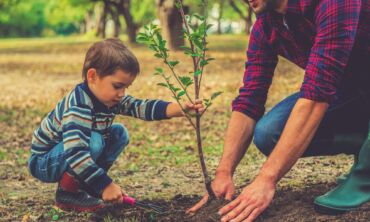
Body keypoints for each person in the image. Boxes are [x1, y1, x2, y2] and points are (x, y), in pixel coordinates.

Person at [188, 0, 370, 221]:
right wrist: (224, 173)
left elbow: (316, 95)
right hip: (354, 89)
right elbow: (249, 99)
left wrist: (266, 179)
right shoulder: (267, 25)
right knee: (270, 132)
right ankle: (364, 145)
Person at [28, 38, 204, 211]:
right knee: (94, 141)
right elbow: (75, 152)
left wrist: (179, 109)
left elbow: (140, 106)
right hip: (45, 161)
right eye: (117, 86)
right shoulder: (78, 106)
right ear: (93, 76)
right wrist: (105, 185)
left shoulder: (109, 98)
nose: (122, 93)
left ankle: (88, 185)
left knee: (119, 133)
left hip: (70, 154)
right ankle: (68, 193)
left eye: (126, 87)